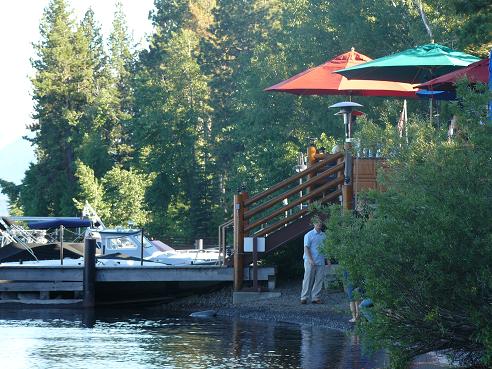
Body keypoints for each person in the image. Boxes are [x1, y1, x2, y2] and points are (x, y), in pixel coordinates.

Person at [301, 219, 328, 304]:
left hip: (320, 260)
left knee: (319, 280)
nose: (319, 224)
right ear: (314, 224)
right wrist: (310, 259)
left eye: (320, 223)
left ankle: (315, 298)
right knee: (308, 279)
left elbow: (326, 248)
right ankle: (304, 297)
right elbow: (306, 248)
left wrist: (328, 260)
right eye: (317, 223)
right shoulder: (309, 235)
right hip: (310, 261)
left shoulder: (324, 235)